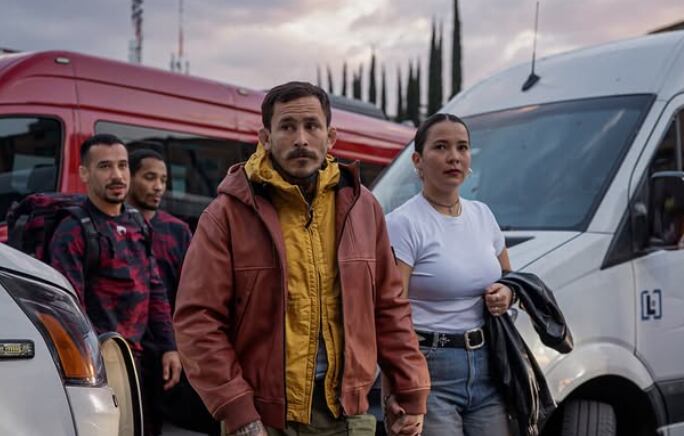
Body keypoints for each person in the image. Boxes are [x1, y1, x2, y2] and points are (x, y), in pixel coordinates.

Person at [173, 81, 430, 436]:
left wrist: (410, 389)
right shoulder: (226, 216)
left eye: (312, 126)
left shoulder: (362, 207)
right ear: (265, 138)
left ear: (331, 136)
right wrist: (236, 409)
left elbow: (389, 305)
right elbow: (197, 320)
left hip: (348, 413)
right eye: (287, 127)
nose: (301, 139)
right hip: (263, 418)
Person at [385, 113, 514, 435]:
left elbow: (510, 278)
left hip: (489, 364)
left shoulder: (483, 214)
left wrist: (506, 293)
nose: (454, 156)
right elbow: (391, 313)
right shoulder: (402, 223)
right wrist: (399, 389)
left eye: (462, 147)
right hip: (430, 369)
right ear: (417, 160)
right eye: (441, 147)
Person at [49, 134, 182, 411]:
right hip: (98, 365)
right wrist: (91, 365)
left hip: (137, 362)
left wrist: (169, 347)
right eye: (105, 166)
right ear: (84, 174)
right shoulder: (73, 231)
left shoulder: (137, 223)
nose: (117, 175)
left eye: (122, 165)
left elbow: (155, 291)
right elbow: (68, 310)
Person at [127, 149, 218, 435]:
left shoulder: (176, 231)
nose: (158, 187)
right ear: (129, 177)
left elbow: (193, 290)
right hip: (127, 346)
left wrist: (180, 346)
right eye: (149, 177)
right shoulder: (115, 227)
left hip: (167, 346)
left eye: (163, 180)